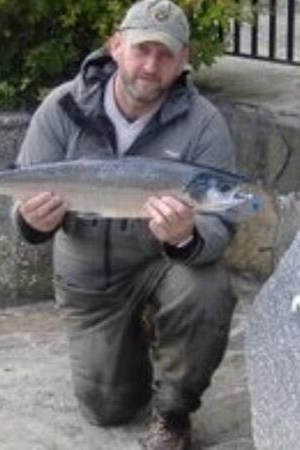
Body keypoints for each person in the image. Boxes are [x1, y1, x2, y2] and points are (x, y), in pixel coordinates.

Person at [13, 1, 237, 449]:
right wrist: (28, 219)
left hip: (160, 264)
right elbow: (23, 187)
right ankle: (133, 340)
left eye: (166, 55)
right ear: (117, 45)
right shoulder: (62, 107)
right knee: (108, 410)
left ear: (184, 59)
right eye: (142, 50)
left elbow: (224, 224)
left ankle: (173, 410)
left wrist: (187, 238)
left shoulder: (204, 124)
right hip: (89, 279)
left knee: (206, 289)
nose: (151, 66)